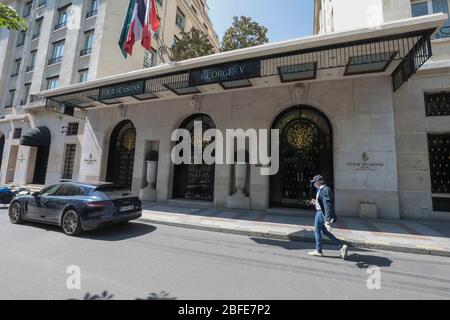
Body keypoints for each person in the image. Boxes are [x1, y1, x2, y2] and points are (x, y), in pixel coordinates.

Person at [308, 175, 348, 259]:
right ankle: (341, 246)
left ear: (318, 181)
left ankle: (318, 250)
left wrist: (327, 220)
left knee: (317, 230)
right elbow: (323, 202)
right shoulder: (320, 189)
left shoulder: (325, 190)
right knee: (324, 231)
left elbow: (327, 205)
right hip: (321, 212)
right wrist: (316, 202)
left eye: (314, 182)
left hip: (320, 213)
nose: (314, 184)